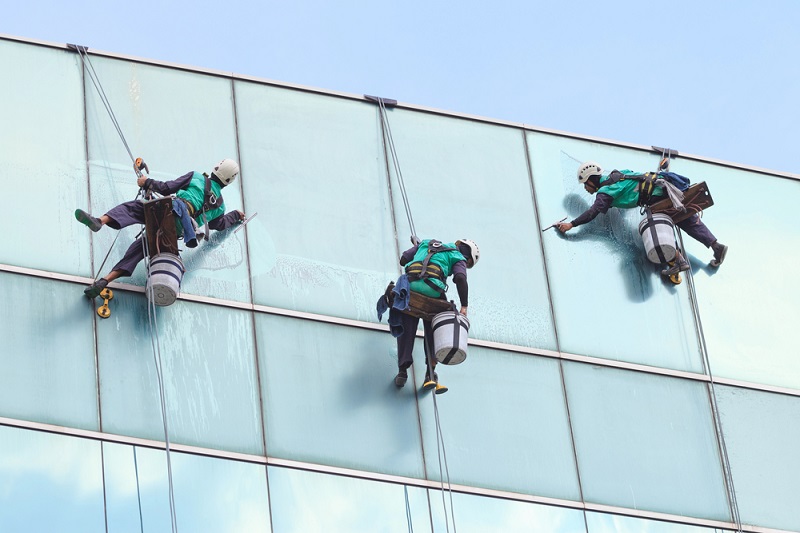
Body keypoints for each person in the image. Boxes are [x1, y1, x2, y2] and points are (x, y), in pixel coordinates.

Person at [75, 159, 245, 297]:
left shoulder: (197, 177)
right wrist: (236, 215)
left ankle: (100, 221)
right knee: (139, 250)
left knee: (133, 209)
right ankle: (105, 280)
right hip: (176, 231)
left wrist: (146, 181)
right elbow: (219, 225)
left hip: (170, 211)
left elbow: (167, 188)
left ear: (216, 168)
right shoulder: (220, 206)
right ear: (228, 181)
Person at [556, 161, 727, 276]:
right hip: (663, 190)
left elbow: (593, 212)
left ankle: (680, 261)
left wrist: (571, 224)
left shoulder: (604, 192)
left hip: (656, 198)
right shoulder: (618, 174)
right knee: (685, 219)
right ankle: (715, 246)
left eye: (585, 184)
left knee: (655, 226)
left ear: (591, 180)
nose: (586, 188)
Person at [393, 238, 479, 394]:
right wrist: (464, 306)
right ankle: (430, 372)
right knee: (439, 322)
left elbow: (403, 259)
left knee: (408, 321)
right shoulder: (457, 257)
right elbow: (460, 278)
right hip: (432, 290)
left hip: (409, 288)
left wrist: (419, 249)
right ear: (467, 258)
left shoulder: (426, 243)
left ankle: (402, 371)